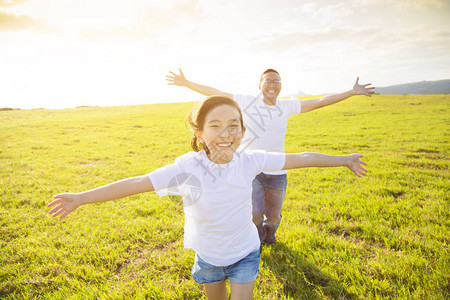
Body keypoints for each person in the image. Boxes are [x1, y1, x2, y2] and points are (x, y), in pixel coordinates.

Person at [47, 96, 367, 300]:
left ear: (243, 132)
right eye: (215, 126)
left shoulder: (251, 160)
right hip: (209, 256)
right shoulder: (187, 168)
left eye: (234, 126)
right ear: (200, 133)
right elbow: (139, 182)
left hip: (245, 252)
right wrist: (81, 198)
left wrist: (344, 159)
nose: (226, 133)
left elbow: (303, 157)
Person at [166, 68, 374, 245]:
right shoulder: (246, 101)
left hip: (278, 170)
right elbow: (215, 92)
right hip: (251, 170)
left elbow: (320, 101)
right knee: (254, 213)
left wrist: (351, 92)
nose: (273, 84)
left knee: (274, 216)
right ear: (260, 85)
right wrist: (186, 83)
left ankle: (270, 236)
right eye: (268, 80)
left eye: (277, 81)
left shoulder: (286, 106)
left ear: (281, 85)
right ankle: (255, 240)